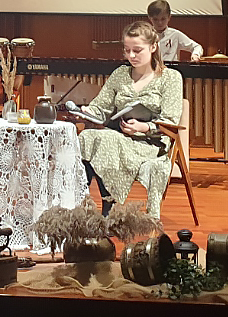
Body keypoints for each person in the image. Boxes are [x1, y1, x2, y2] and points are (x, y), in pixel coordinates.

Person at [74, 21, 185, 217]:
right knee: (87, 137)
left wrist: (144, 127)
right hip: (121, 138)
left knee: (104, 140)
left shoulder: (170, 78)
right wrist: (88, 111)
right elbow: (101, 107)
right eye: (127, 50)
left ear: (153, 47)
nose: (131, 56)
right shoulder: (120, 74)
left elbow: (170, 121)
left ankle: (108, 208)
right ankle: (81, 204)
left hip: (150, 144)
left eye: (137, 50)